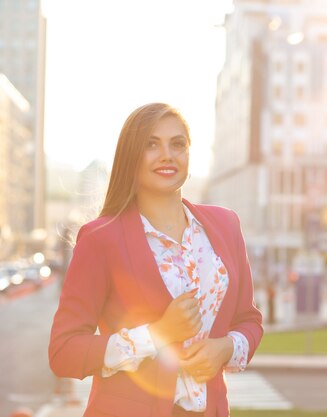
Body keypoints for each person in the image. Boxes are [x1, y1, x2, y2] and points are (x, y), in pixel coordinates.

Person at [49, 103, 263, 417]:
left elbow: (249, 320)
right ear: (130, 156)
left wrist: (226, 349)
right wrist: (157, 334)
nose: (167, 155)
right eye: (152, 144)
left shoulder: (226, 225)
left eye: (178, 144)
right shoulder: (100, 239)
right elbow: (63, 351)